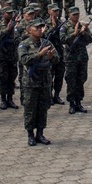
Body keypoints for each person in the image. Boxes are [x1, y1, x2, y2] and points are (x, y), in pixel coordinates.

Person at [18, 18, 59, 146]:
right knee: (30, 109)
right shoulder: (24, 44)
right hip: (30, 82)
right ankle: (30, 135)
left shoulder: (47, 43)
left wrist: (51, 57)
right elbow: (24, 59)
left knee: (43, 108)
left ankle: (40, 134)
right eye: (37, 28)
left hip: (44, 80)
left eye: (41, 28)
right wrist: (39, 54)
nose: (40, 30)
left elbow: (57, 59)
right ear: (29, 30)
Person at [60, 6, 92, 114]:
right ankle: (71, 104)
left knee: (81, 80)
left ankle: (79, 102)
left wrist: (84, 33)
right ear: (69, 15)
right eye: (74, 14)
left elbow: (91, 39)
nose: (76, 16)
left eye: (77, 14)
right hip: (71, 58)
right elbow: (62, 39)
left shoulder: (82, 26)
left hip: (82, 57)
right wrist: (74, 34)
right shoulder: (65, 26)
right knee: (71, 80)